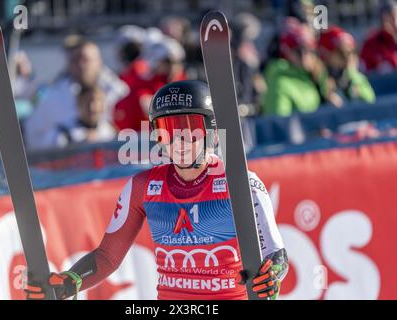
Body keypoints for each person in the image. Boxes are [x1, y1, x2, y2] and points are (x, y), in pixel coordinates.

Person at [26, 80, 288, 300]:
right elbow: (107, 257)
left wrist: (271, 276)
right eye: (167, 131)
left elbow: (276, 256)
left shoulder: (242, 183)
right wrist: (69, 282)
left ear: (212, 132)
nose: (179, 141)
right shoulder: (143, 187)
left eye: (189, 128)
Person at [24, 37, 127, 150]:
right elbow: (33, 135)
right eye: (75, 60)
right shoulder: (53, 98)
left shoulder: (121, 92)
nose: (81, 65)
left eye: (85, 59)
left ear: (99, 61)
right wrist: (70, 140)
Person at [262, 18, 334, 116]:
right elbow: (278, 124)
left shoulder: (316, 76)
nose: (305, 56)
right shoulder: (280, 82)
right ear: (287, 52)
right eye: (298, 51)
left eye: (310, 50)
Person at [113, 36, 187, 131]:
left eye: (179, 61)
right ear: (155, 63)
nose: (174, 67)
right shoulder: (142, 89)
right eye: (168, 62)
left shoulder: (187, 86)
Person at [318, 26, 376, 105]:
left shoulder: (355, 76)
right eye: (341, 52)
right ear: (326, 54)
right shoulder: (319, 77)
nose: (348, 57)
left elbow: (371, 100)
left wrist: (352, 76)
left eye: (351, 51)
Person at [360, 0, 397, 73]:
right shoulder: (371, 44)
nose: (394, 21)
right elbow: (364, 71)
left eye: (395, 16)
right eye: (389, 17)